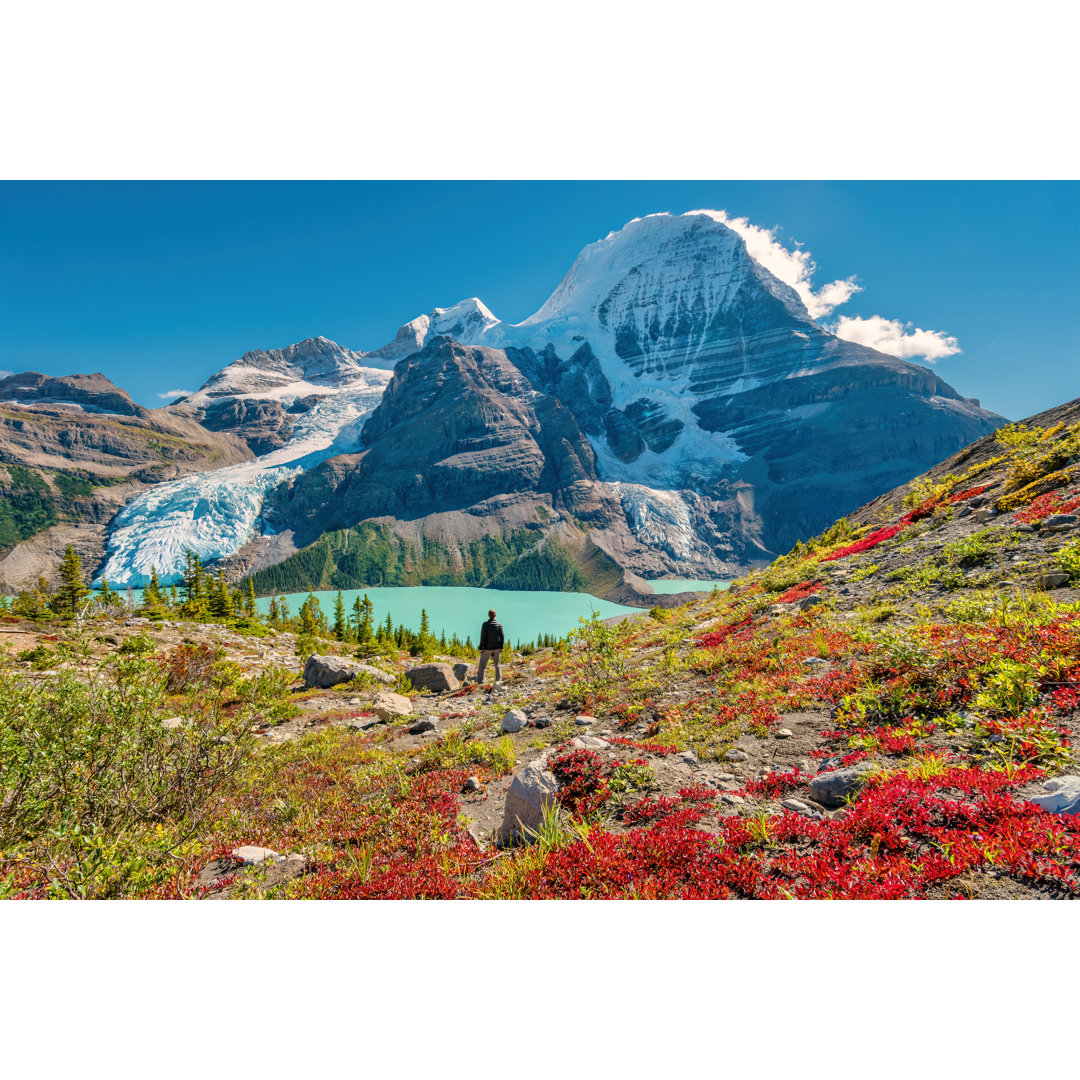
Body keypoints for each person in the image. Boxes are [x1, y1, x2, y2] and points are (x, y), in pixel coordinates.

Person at [476, 608, 505, 685]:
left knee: (482, 665)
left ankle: (480, 682)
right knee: (497, 665)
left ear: (488, 615)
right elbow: (502, 637)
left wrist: (480, 648)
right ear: (495, 615)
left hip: (487, 648)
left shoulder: (485, 624)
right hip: (496, 648)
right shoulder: (499, 625)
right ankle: (498, 680)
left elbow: (483, 637)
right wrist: (501, 647)